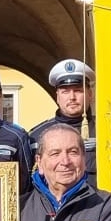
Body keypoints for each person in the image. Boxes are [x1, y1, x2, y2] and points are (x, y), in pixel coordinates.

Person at [30, 59, 97, 188]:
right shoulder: (36, 135)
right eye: (65, 91)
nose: (72, 97)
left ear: (90, 94)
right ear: (57, 96)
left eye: (78, 90)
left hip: (99, 205)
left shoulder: (107, 130)